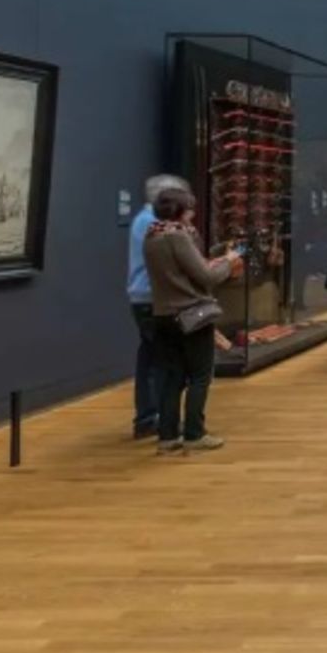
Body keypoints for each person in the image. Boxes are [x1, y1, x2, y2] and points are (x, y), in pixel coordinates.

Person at [142, 187, 242, 455]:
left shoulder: (152, 236)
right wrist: (229, 262)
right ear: (181, 211)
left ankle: (168, 436)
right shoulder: (177, 238)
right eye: (190, 209)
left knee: (172, 378)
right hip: (191, 314)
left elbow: (182, 270)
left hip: (163, 314)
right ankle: (195, 434)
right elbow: (207, 278)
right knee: (200, 376)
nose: (193, 214)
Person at [125, 173, 187, 440]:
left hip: (144, 297)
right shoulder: (154, 225)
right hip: (154, 298)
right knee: (163, 360)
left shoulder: (144, 221)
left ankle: (148, 416)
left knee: (150, 358)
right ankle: (158, 417)